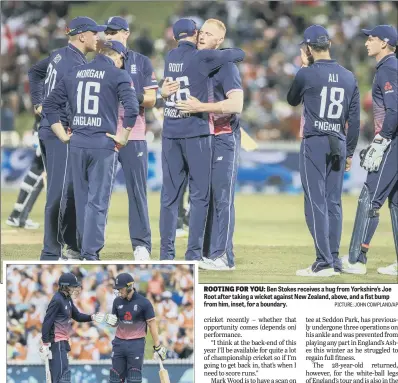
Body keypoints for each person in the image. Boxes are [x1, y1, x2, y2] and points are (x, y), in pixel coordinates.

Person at [42, 41, 139, 261]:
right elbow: (132, 108)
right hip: (102, 145)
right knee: (98, 202)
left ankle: (78, 249)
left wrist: (62, 134)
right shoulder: (117, 74)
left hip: (76, 144)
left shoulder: (75, 72)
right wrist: (123, 137)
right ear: (118, 57)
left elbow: (49, 106)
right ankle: (90, 253)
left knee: (81, 199)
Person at [160, 18, 245, 261]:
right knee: (203, 196)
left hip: (222, 135)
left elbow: (236, 104)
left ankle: (223, 255)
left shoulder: (225, 66)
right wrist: (163, 92)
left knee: (220, 198)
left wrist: (202, 107)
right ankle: (203, 254)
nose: (202, 37)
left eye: (209, 34)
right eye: (201, 33)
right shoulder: (198, 60)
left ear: (219, 41)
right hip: (202, 133)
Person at [28, 16, 106, 260]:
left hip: (50, 129)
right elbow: (68, 102)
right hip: (58, 133)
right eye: (95, 33)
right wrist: (47, 108)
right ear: (82, 35)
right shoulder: (73, 63)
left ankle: (70, 245)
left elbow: (34, 72)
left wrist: (38, 102)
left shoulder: (59, 54)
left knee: (67, 191)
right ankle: (50, 252)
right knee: (58, 194)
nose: (98, 37)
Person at [286, 25, 360, 277]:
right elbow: (356, 119)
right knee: (333, 203)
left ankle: (324, 261)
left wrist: (304, 67)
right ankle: (335, 260)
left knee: (315, 202)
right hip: (338, 142)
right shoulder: (349, 76)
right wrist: (349, 152)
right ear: (328, 45)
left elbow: (292, 100)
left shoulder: (306, 74)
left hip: (315, 141)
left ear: (308, 48)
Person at [343, 25, 398, 276]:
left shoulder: (388, 68)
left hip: (393, 142)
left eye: (372, 39)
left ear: (385, 43)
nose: (367, 43)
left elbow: (395, 110)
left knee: (369, 197)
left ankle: (356, 259)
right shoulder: (390, 67)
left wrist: (382, 140)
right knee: (396, 203)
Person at [104, 16, 158, 261]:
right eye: (108, 32)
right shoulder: (99, 62)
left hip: (134, 134)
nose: (110, 35)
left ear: (126, 33)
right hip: (104, 133)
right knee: (97, 192)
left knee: (137, 191)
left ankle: (141, 245)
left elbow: (151, 99)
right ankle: (89, 244)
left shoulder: (142, 62)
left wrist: (127, 93)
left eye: (115, 31)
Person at [39, 273, 105, 383]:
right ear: (64, 286)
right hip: (56, 342)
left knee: (64, 375)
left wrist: (92, 317)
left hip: (64, 342)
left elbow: (77, 316)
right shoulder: (57, 299)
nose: (75, 288)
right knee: (61, 377)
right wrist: (45, 343)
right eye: (72, 286)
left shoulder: (68, 299)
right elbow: (47, 321)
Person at [103, 273, 167, 383]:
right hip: (119, 343)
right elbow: (116, 323)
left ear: (129, 286)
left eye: (120, 289)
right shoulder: (117, 301)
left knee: (134, 378)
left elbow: (152, 325)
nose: (119, 291)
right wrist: (111, 321)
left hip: (136, 344)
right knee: (115, 378)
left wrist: (158, 346)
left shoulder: (144, 303)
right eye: (117, 289)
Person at [6, 118, 43, 230]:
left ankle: (16, 216)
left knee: (34, 176)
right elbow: (39, 110)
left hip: (41, 131)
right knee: (37, 179)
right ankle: (20, 217)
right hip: (44, 133)